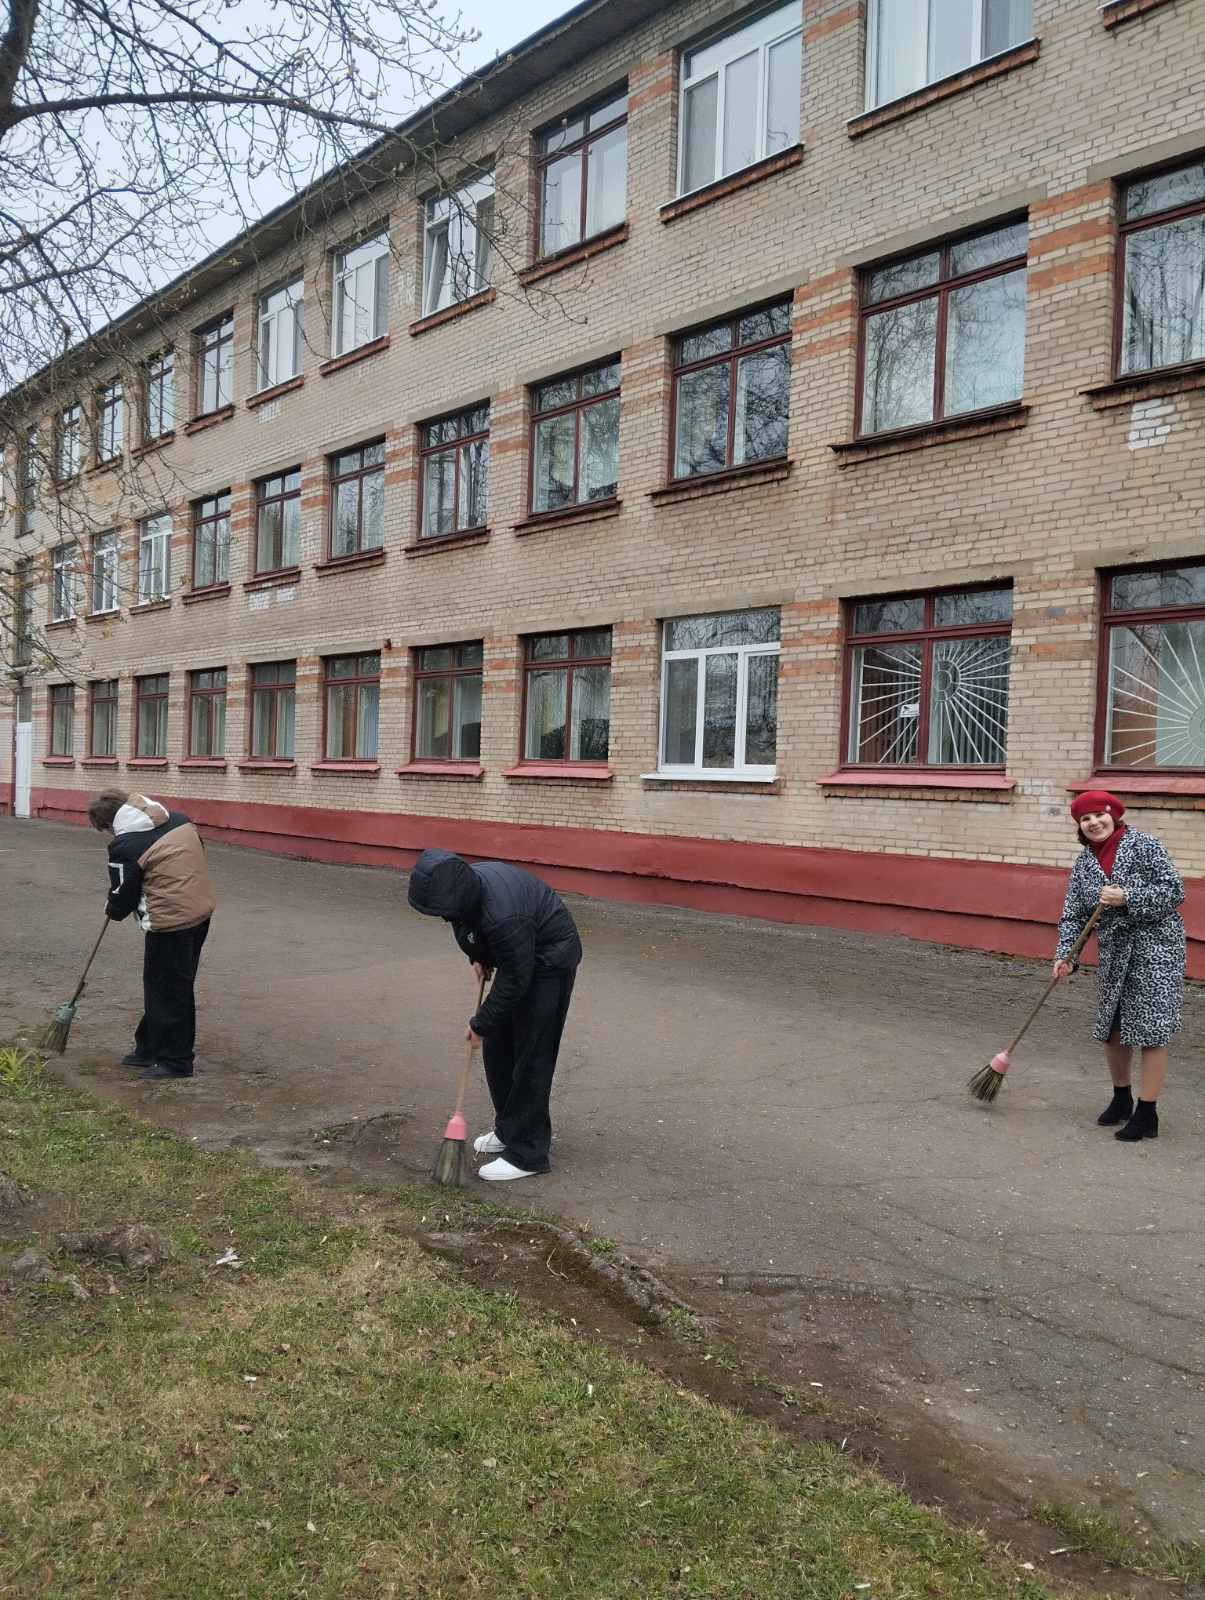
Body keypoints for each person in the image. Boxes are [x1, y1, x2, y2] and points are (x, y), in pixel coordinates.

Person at [407, 848, 582, 1181]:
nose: (442, 917)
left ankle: (528, 1153)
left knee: (531, 1055)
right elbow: (464, 926)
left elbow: (516, 976)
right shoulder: (462, 893)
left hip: (550, 960)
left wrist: (481, 1023)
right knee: (499, 1051)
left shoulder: (503, 916)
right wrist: (479, 956)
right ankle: (508, 1129)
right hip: (520, 954)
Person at [1054, 790, 1185, 1142]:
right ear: (1080, 826)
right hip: (1114, 952)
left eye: (1099, 814)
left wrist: (1128, 896)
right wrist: (1066, 955)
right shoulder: (1084, 864)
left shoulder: (1144, 845)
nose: (1094, 822)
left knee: (1151, 1030)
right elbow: (1074, 915)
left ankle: (1147, 1112)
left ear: (1113, 814)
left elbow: (1174, 891)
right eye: (1085, 819)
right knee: (1113, 1027)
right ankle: (1121, 1098)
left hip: (1155, 950)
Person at [87, 789, 216, 1081]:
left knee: (169, 990)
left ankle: (176, 1061)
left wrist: (112, 907)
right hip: (200, 912)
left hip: (171, 922)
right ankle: (149, 1047)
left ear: (109, 823)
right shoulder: (180, 821)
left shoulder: (126, 845)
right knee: (168, 986)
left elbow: (123, 897)